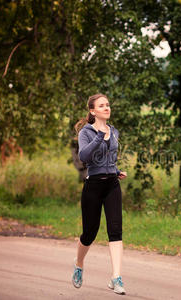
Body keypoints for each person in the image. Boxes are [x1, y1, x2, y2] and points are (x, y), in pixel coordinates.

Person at [72, 93, 127, 295]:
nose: (107, 108)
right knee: (90, 233)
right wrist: (98, 136)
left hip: (112, 185)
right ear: (93, 111)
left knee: (115, 230)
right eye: (102, 106)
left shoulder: (114, 132)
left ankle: (116, 278)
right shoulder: (86, 133)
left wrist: (115, 170)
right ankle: (79, 264)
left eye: (108, 105)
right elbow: (85, 157)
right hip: (93, 187)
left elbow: (109, 158)